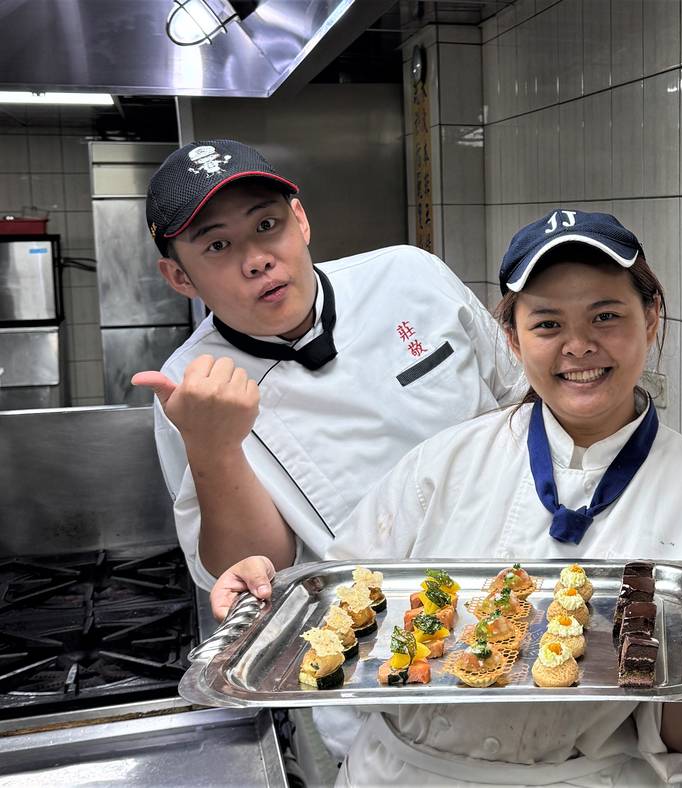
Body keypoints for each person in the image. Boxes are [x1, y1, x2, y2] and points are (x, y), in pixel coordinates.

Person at [212, 210, 682, 786]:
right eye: (547, 325)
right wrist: (265, 602)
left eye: (607, 316)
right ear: (512, 338)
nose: (579, 346)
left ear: (651, 319)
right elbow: (340, 617)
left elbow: (680, 741)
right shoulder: (443, 465)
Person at [132, 140, 522, 765]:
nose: (258, 259)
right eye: (217, 246)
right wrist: (214, 449)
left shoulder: (410, 276)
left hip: (521, 601)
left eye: (268, 225)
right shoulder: (191, 384)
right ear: (180, 276)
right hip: (380, 678)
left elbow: (523, 402)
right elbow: (250, 573)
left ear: (301, 218)